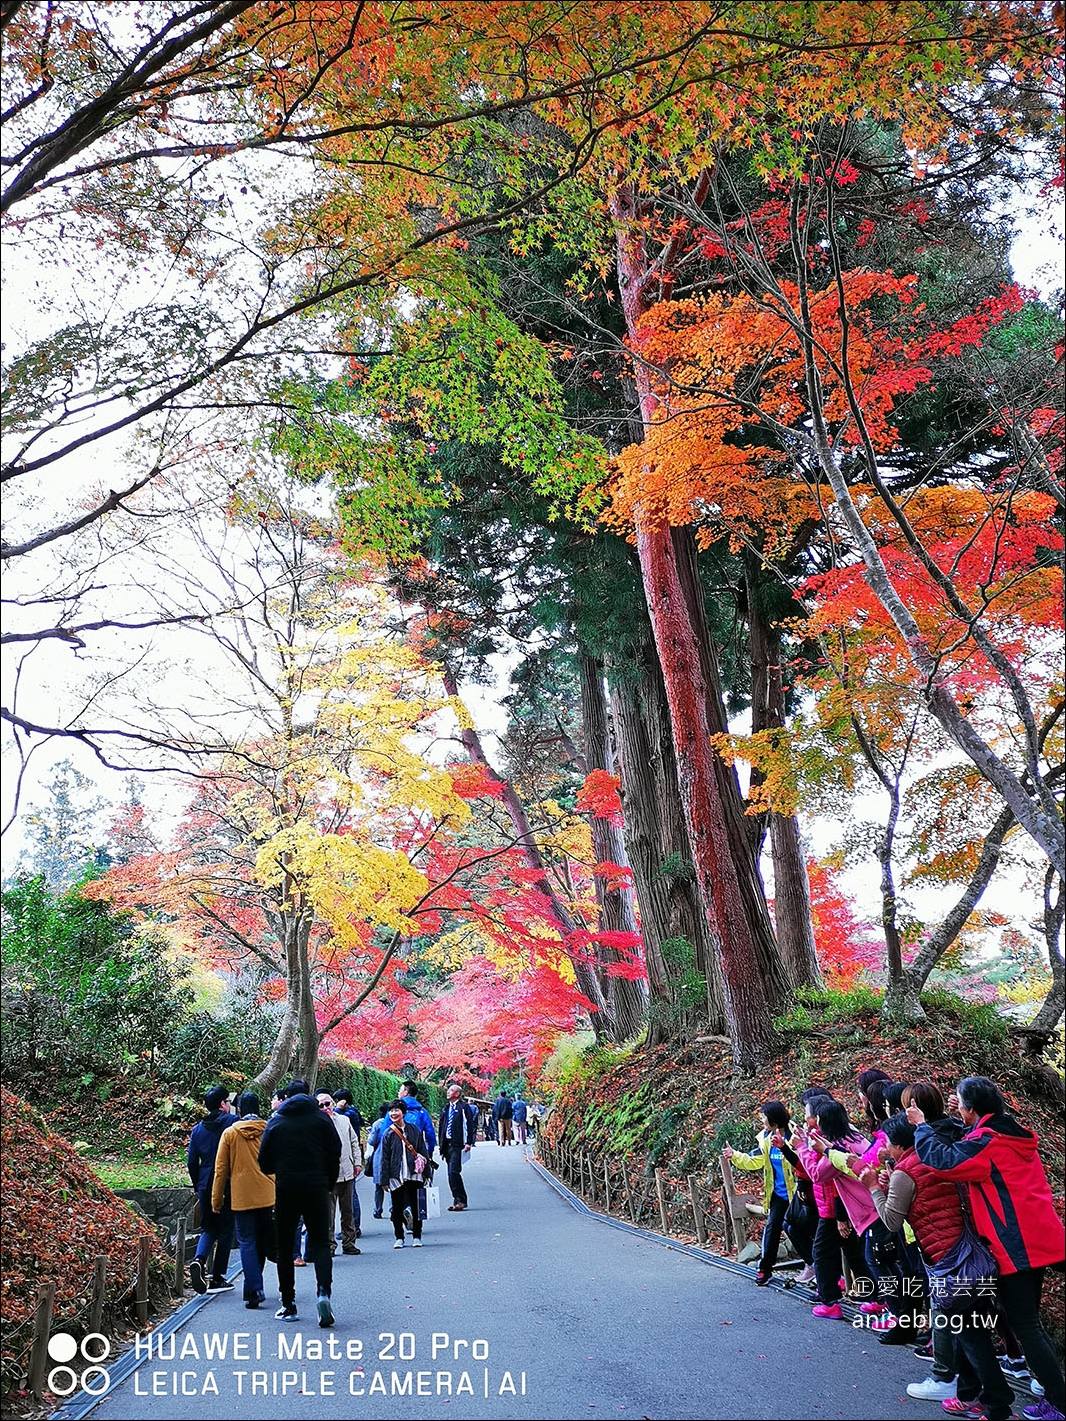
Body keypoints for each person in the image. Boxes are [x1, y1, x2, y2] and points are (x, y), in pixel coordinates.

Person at [909, 1076, 1066, 1417]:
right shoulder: (1009, 1134)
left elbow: (944, 1161)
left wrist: (922, 1128)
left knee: (1026, 1326)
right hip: (1038, 1238)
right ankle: (1045, 1394)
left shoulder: (987, 1142)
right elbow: (973, 1146)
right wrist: (961, 1120)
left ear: (973, 1109)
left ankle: (1059, 1402)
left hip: (1014, 1245)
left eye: (962, 1104)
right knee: (1025, 1323)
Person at [861, 1112, 1016, 1421]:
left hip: (948, 1263)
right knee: (969, 1330)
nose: (885, 1150)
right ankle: (969, 1394)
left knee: (971, 1336)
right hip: (973, 1256)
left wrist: (874, 1189)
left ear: (898, 1145)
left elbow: (892, 1220)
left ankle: (999, 1405)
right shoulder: (937, 1156)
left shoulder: (906, 1171)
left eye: (888, 1144)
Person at [258, 1078, 341, 1326]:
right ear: (309, 1095)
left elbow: (263, 1161)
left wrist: (280, 1171)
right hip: (317, 1185)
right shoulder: (321, 1119)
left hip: (287, 1187)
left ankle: (289, 1304)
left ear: (286, 1098)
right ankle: (323, 1293)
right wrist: (328, 1179)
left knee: (285, 1246)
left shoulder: (277, 1121)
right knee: (320, 1243)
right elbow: (335, 1151)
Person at [796, 1098, 880, 1321]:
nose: (806, 1117)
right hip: (870, 1205)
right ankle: (879, 1299)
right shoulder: (856, 1138)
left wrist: (799, 1147)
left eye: (808, 1113)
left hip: (852, 1209)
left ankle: (830, 1302)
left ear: (820, 1120)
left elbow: (817, 1174)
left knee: (822, 1254)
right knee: (864, 1256)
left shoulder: (836, 1149)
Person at [723, 1100, 815, 1285]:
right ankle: (765, 1270)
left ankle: (815, 1265)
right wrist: (735, 1155)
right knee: (773, 1228)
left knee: (800, 1230)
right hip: (778, 1195)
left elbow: (805, 1162)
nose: (761, 1119)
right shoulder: (765, 1138)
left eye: (764, 1116)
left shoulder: (794, 1135)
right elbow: (754, 1160)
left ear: (774, 1119)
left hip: (799, 1193)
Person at [211, 1092, 275, 1310]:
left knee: (247, 1241)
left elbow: (220, 1171)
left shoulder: (230, 1134)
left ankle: (254, 1288)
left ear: (239, 1109)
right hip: (268, 1194)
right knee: (261, 1241)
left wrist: (216, 1200)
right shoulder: (269, 1129)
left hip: (241, 1197)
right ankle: (252, 1288)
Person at [186, 1085, 237, 1294]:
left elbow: (191, 1162)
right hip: (227, 1182)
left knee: (208, 1228)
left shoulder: (197, 1129)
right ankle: (217, 1277)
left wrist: (198, 1183)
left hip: (205, 1183)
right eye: (227, 1101)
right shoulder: (232, 1124)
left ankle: (199, 1259)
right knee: (226, 1230)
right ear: (222, 1104)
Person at [317, 1091, 362, 1256]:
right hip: (326, 1176)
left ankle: (349, 1243)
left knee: (347, 1211)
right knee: (328, 1214)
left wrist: (357, 1162)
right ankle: (329, 1245)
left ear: (333, 1104)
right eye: (320, 1105)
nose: (325, 1108)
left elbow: (354, 1141)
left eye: (327, 1104)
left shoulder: (344, 1120)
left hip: (347, 1171)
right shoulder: (315, 1124)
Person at [380, 1099, 430, 1248]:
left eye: (396, 1110)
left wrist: (427, 1173)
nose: (393, 1113)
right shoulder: (388, 1133)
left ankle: (417, 1236)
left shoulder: (414, 1130)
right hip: (396, 1175)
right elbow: (384, 1158)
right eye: (391, 1111)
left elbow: (422, 1151)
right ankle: (399, 1237)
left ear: (403, 1112)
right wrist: (384, 1180)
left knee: (416, 1206)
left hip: (414, 1173)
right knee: (396, 1207)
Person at [437, 1080, 477, 1211]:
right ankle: (457, 1200)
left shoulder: (464, 1107)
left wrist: (468, 1142)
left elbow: (469, 1125)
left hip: (457, 1144)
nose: (448, 1092)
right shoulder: (446, 1108)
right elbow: (442, 1126)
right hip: (446, 1144)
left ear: (458, 1093)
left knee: (454, 1171)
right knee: (450, 1173)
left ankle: (460, 1200)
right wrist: (440, 1144)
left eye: (451, 1090)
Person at [398, 1081, 437, 1155]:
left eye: (400, 1090)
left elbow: (385, 1129)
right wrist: (429, 1151)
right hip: (415, 1148)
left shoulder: (395, 1109)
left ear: (406, 1092)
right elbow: (430, 1133)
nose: (398, 1092)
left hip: (396, 1148)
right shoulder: (422, 1112)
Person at [365, 1104, 389, 1218]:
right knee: (392, 1184)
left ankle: (378, 1209)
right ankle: (393, 1208)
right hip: (391, 1156)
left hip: (379, 1156)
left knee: (379, 1186)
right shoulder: (395, 1122)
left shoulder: (377, 1124)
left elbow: (372, 1141)